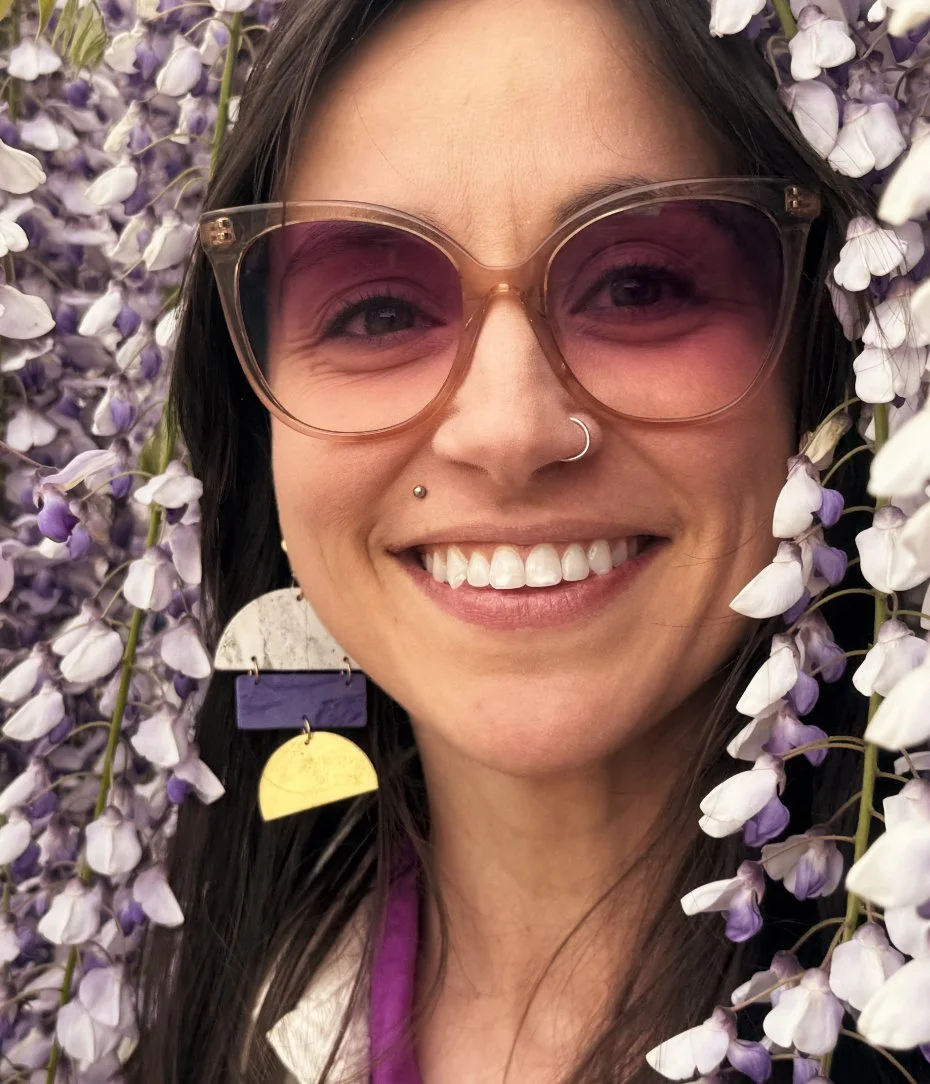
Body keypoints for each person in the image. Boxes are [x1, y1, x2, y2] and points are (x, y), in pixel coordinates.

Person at [128, 0, 892, 1081]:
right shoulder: (221, 1002)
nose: (510, 430)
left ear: (822, 361)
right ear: (263, 438)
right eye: (380, 311)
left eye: (640, 286)